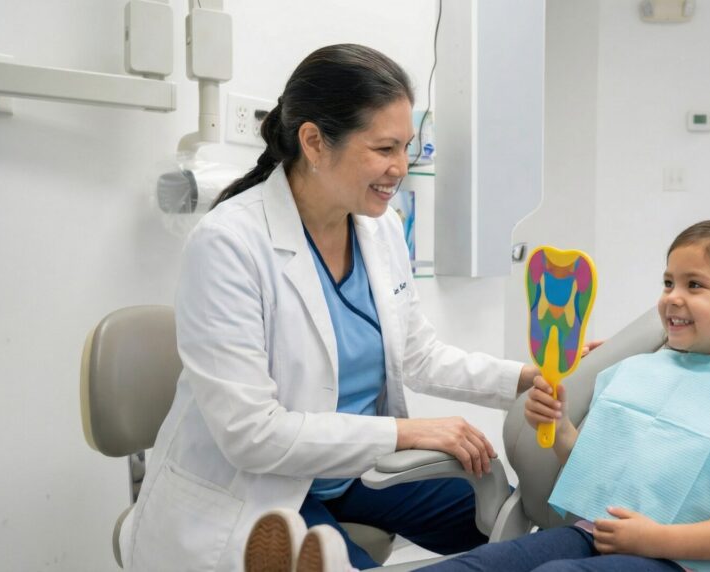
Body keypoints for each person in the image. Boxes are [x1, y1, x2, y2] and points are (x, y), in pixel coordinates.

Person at [119, 44, 540, 571]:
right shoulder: (229, 242)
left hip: (356, 471)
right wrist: (406, 432)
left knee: (515, 524)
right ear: (315, 142)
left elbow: (419, 354)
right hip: (261, 485)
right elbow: (252, 435)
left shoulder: (379, 227)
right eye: (384, 148)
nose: (400, 169)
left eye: (405, 147)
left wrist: (525, 378)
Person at [293, 219, 710, 572]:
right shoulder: (644, 371)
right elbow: (601, 469)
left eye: (695, 286)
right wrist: (562, 431)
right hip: (593, 534)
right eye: (668, 282)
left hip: (680, 563)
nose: (671, 299)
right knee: (473, 567)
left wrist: (658, 541)